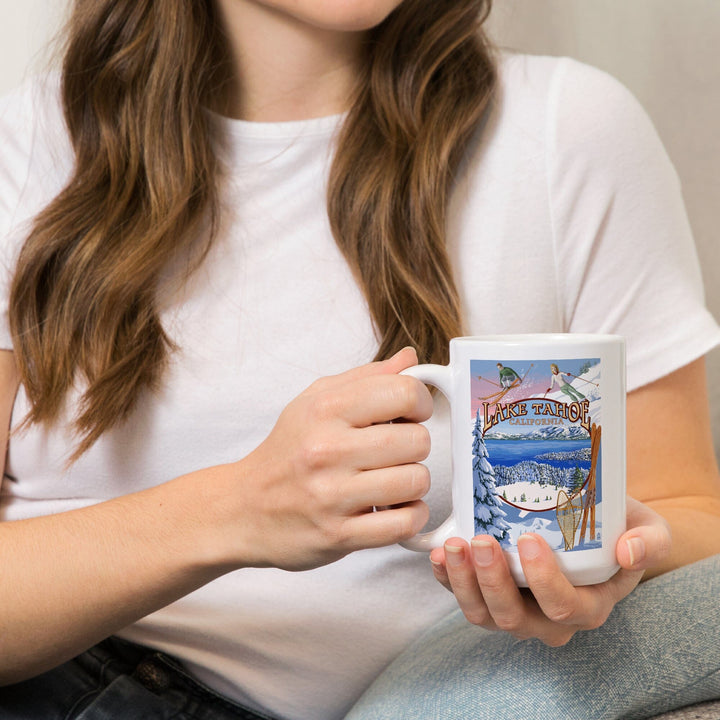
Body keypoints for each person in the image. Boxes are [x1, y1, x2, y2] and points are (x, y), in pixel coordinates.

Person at [0, 1, 719, 719]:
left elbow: (688, 511)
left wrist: (618, 566)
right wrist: (239, 509)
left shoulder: (570, 130)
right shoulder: (26, 146)